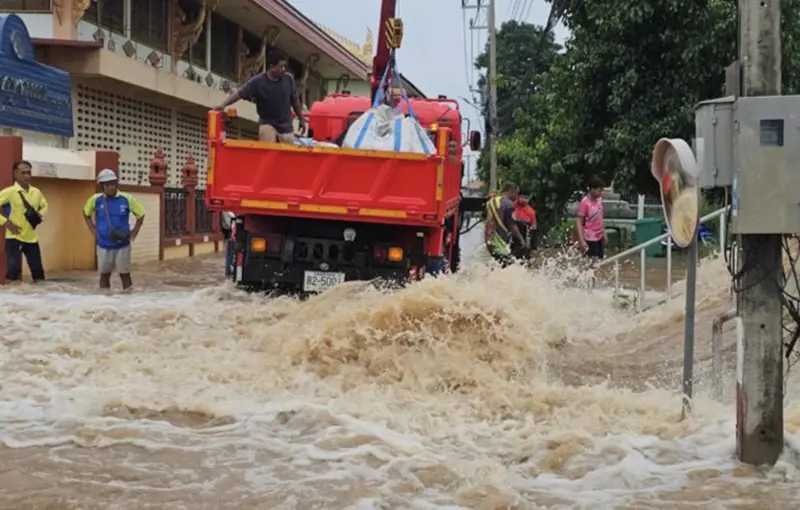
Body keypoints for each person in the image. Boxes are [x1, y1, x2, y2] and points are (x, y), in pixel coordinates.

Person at [213, 49, 305, 143]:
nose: (284, 69)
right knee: (267, 138)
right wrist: (223, 104)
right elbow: (240, 93)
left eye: (284, 66)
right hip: (268, 123)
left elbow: (295, 100)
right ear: (271, 67)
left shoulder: (288, 79)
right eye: (281, 66)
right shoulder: (258, 82)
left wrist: (301, 119)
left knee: (288, 152)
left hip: (286, 127)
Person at [82, 169, 146, 290]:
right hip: (103, 245)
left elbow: (141, 214)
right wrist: (92, 229)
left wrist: (135, 232)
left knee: (125, 275)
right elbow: (85, 213)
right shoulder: (96, 200)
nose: (111, 187)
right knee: (104, 276)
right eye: (107, 185)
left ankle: (128, 302)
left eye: (112, 184)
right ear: (102, 186)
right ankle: (106, 302)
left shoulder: (126, 198)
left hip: (123, 245)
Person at [0, 160, 48, 283]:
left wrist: (39, 215)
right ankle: (10, 300)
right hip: (14, 237)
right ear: (16, 174)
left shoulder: (36, 192)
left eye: (29, 172)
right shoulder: (10, 192)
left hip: (31, 238)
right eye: (23, 173)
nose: (27, 176)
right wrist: (5, 222)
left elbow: (45, 205)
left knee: (38, 272)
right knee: (13, 271)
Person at [484, 183, 525, 266]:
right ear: (511, 191)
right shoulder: (509, 205)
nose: (517, 196)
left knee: (498, 264)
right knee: (508, 265)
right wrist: (521, 239)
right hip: (500, 241)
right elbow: (512, 225)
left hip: (489, 238)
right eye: (516, 193)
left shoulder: (491, 201)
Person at [575, 175, 607, 264]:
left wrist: (604, 233)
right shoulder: (585, 203)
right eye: (599, 190)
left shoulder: (600, 200)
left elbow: (600, 218)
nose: (601, 193)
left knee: (599, 261)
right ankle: (587, 277)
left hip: (599, 235)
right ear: (592, 189)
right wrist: (581, 240)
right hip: (590, 237)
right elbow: (579, 221)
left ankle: (594, 277)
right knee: (591, 262)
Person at [512, 191, 537, 259]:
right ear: (518, 197)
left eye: (526, 198)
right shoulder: (511, 207)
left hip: (523, 241)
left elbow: (533, 230)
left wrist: (534, 247)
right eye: (522, 197)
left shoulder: (531, 212)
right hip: (511, 239)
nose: (524, 200)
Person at [220, 211, 234, 277]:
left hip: (231, 233)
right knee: (229, 253)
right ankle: (228, 273)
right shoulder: (226, 211)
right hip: (229, 233)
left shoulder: (228, 212)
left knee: (229, 254)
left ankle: (228, 273)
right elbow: (228, 223)